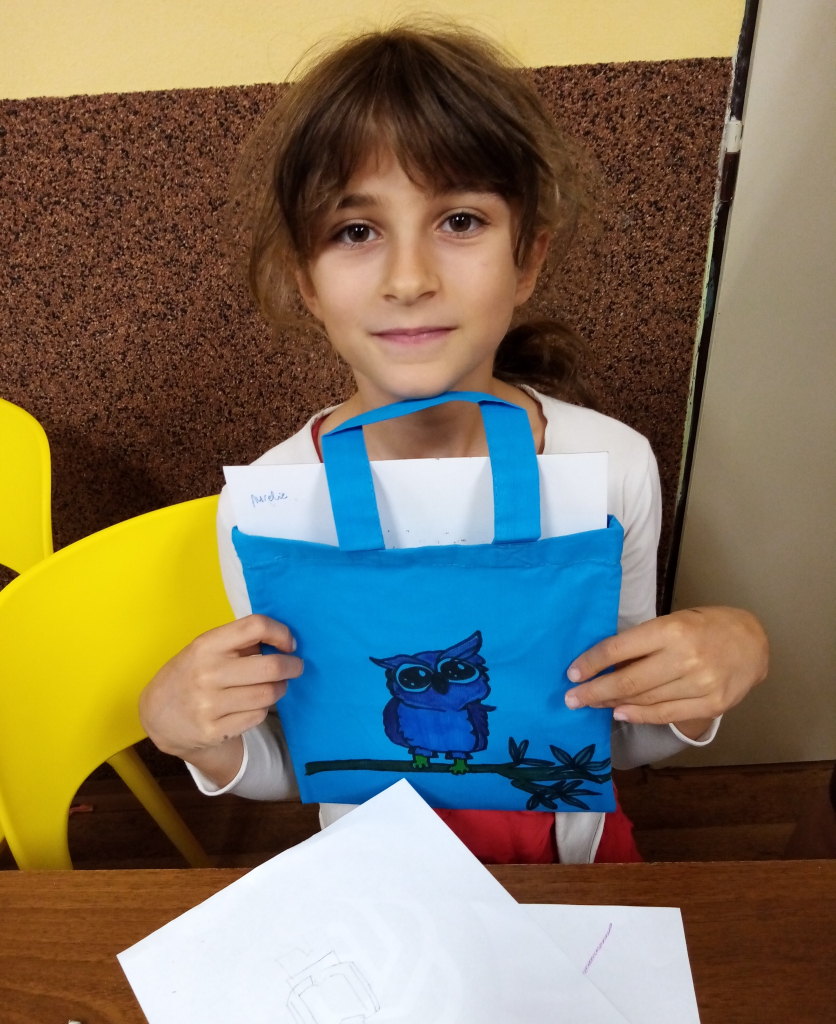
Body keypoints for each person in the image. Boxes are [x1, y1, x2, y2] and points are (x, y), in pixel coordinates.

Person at [139, 24, 769, 864]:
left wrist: (713, 672)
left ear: (527, 259)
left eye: (460, 220)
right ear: (305, 280)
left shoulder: (608, 467)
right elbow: (298, 768)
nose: (409, 279)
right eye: (355, 231)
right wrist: (192, 735)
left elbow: (616, 738)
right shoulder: (272, 503)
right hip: (379, 882)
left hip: (572, 871)